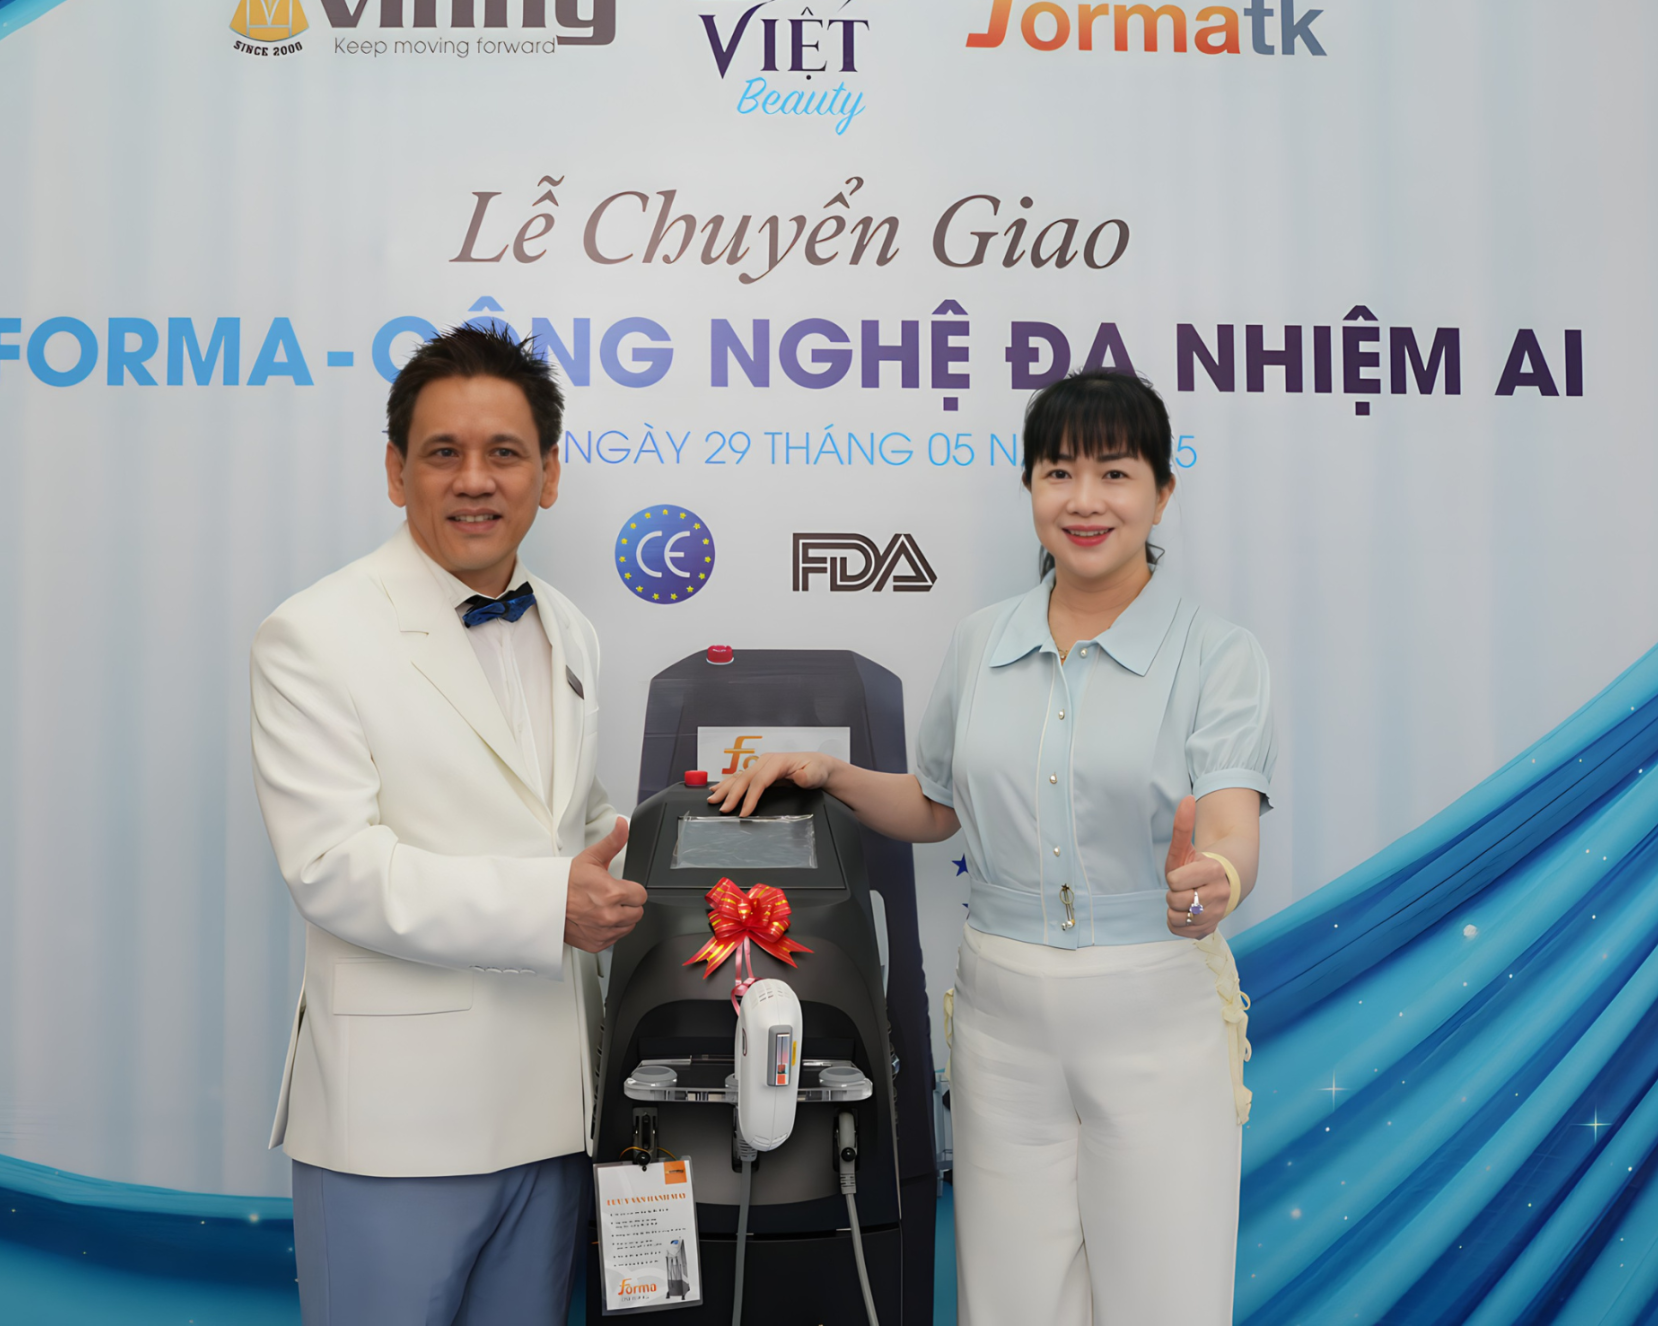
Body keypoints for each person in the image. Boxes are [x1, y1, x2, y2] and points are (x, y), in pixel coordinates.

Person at [710, 369, 1270, 1326]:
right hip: (1001, 1022)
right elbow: (936, 805)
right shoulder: (981, 642)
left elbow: (1227, 829)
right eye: (1058, 473)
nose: (1085, 501)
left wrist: (1212, 880)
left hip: (1151, 1008)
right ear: (1030, 486)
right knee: (1007, 1300)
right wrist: (830, 773)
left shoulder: (1219, 655)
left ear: (1163, 491)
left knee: (1164, 1300)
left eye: (1116, 474)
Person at [250, 324, 645, 1326]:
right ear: (396, 471)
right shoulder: (314, 633)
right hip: (394, 1130)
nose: (476, 480)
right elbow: (334, 866)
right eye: (443, 453)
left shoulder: (572, 627)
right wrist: (551, 902)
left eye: (505, 453)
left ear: (549, 474)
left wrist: (696, 851)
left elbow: (572, 817)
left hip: (555, 1112)